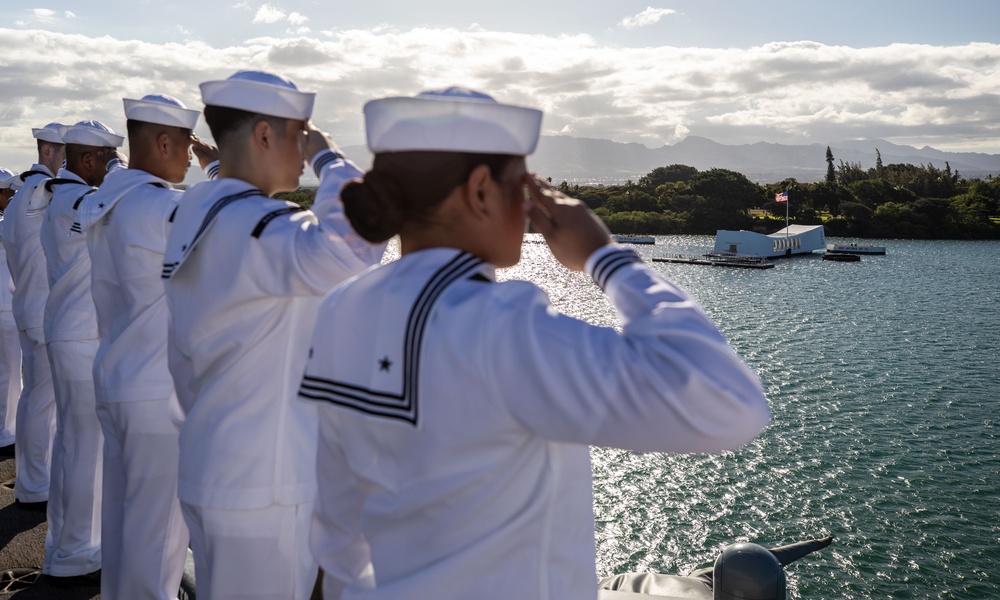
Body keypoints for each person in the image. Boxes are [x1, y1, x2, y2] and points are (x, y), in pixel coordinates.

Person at [301, 88, 771, 600]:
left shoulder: (341, 307)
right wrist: (605, 257)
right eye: (521, 186)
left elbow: (335, 523)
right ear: (481, 189)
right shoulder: (499, 326)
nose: (529, 207)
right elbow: (731, 405)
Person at [161, 70, 386, 600]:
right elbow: (358, 240)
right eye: (299, 133)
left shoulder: (197, 208)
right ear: (265, 135)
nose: (302, 149)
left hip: (214, 462)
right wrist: (330, 157)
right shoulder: (259, 227)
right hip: (264, 484)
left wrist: (218, 163)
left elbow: (225, 181)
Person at [79, 94, 217, 600]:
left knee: (122, 518)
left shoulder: (107, 199)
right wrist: (219, 165)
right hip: (154, 388)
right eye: (186, 144)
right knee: (159, 530)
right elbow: (242, 225)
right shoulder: (161, 207)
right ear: (163, 142)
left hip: (115, 372)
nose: (190, 157)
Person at [38, 119, 126, 586]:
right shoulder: (76, 198)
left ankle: (66, 544)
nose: (113, 168)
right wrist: (125, 175)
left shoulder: (63, 196)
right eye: (108, 159)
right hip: (78, 336)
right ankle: (75, 550)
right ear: (87, 160)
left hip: (70, 333)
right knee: (83, 448)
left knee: (73, 444)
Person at [0, 122, 66, 511]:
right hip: (43, 311)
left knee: (31, 399)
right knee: (43, 401)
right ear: (48, 152)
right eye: (65, 153)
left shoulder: (23, 193)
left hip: (24, 304)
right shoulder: (45, 195)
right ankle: (37, 481)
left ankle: (31, 477)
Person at [0, 169, 22, 457]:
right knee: (10, 373)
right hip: (6, 307)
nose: (13, 196)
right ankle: (7, 431)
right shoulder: (7, 225)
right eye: (9, 192)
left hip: (7, 305)